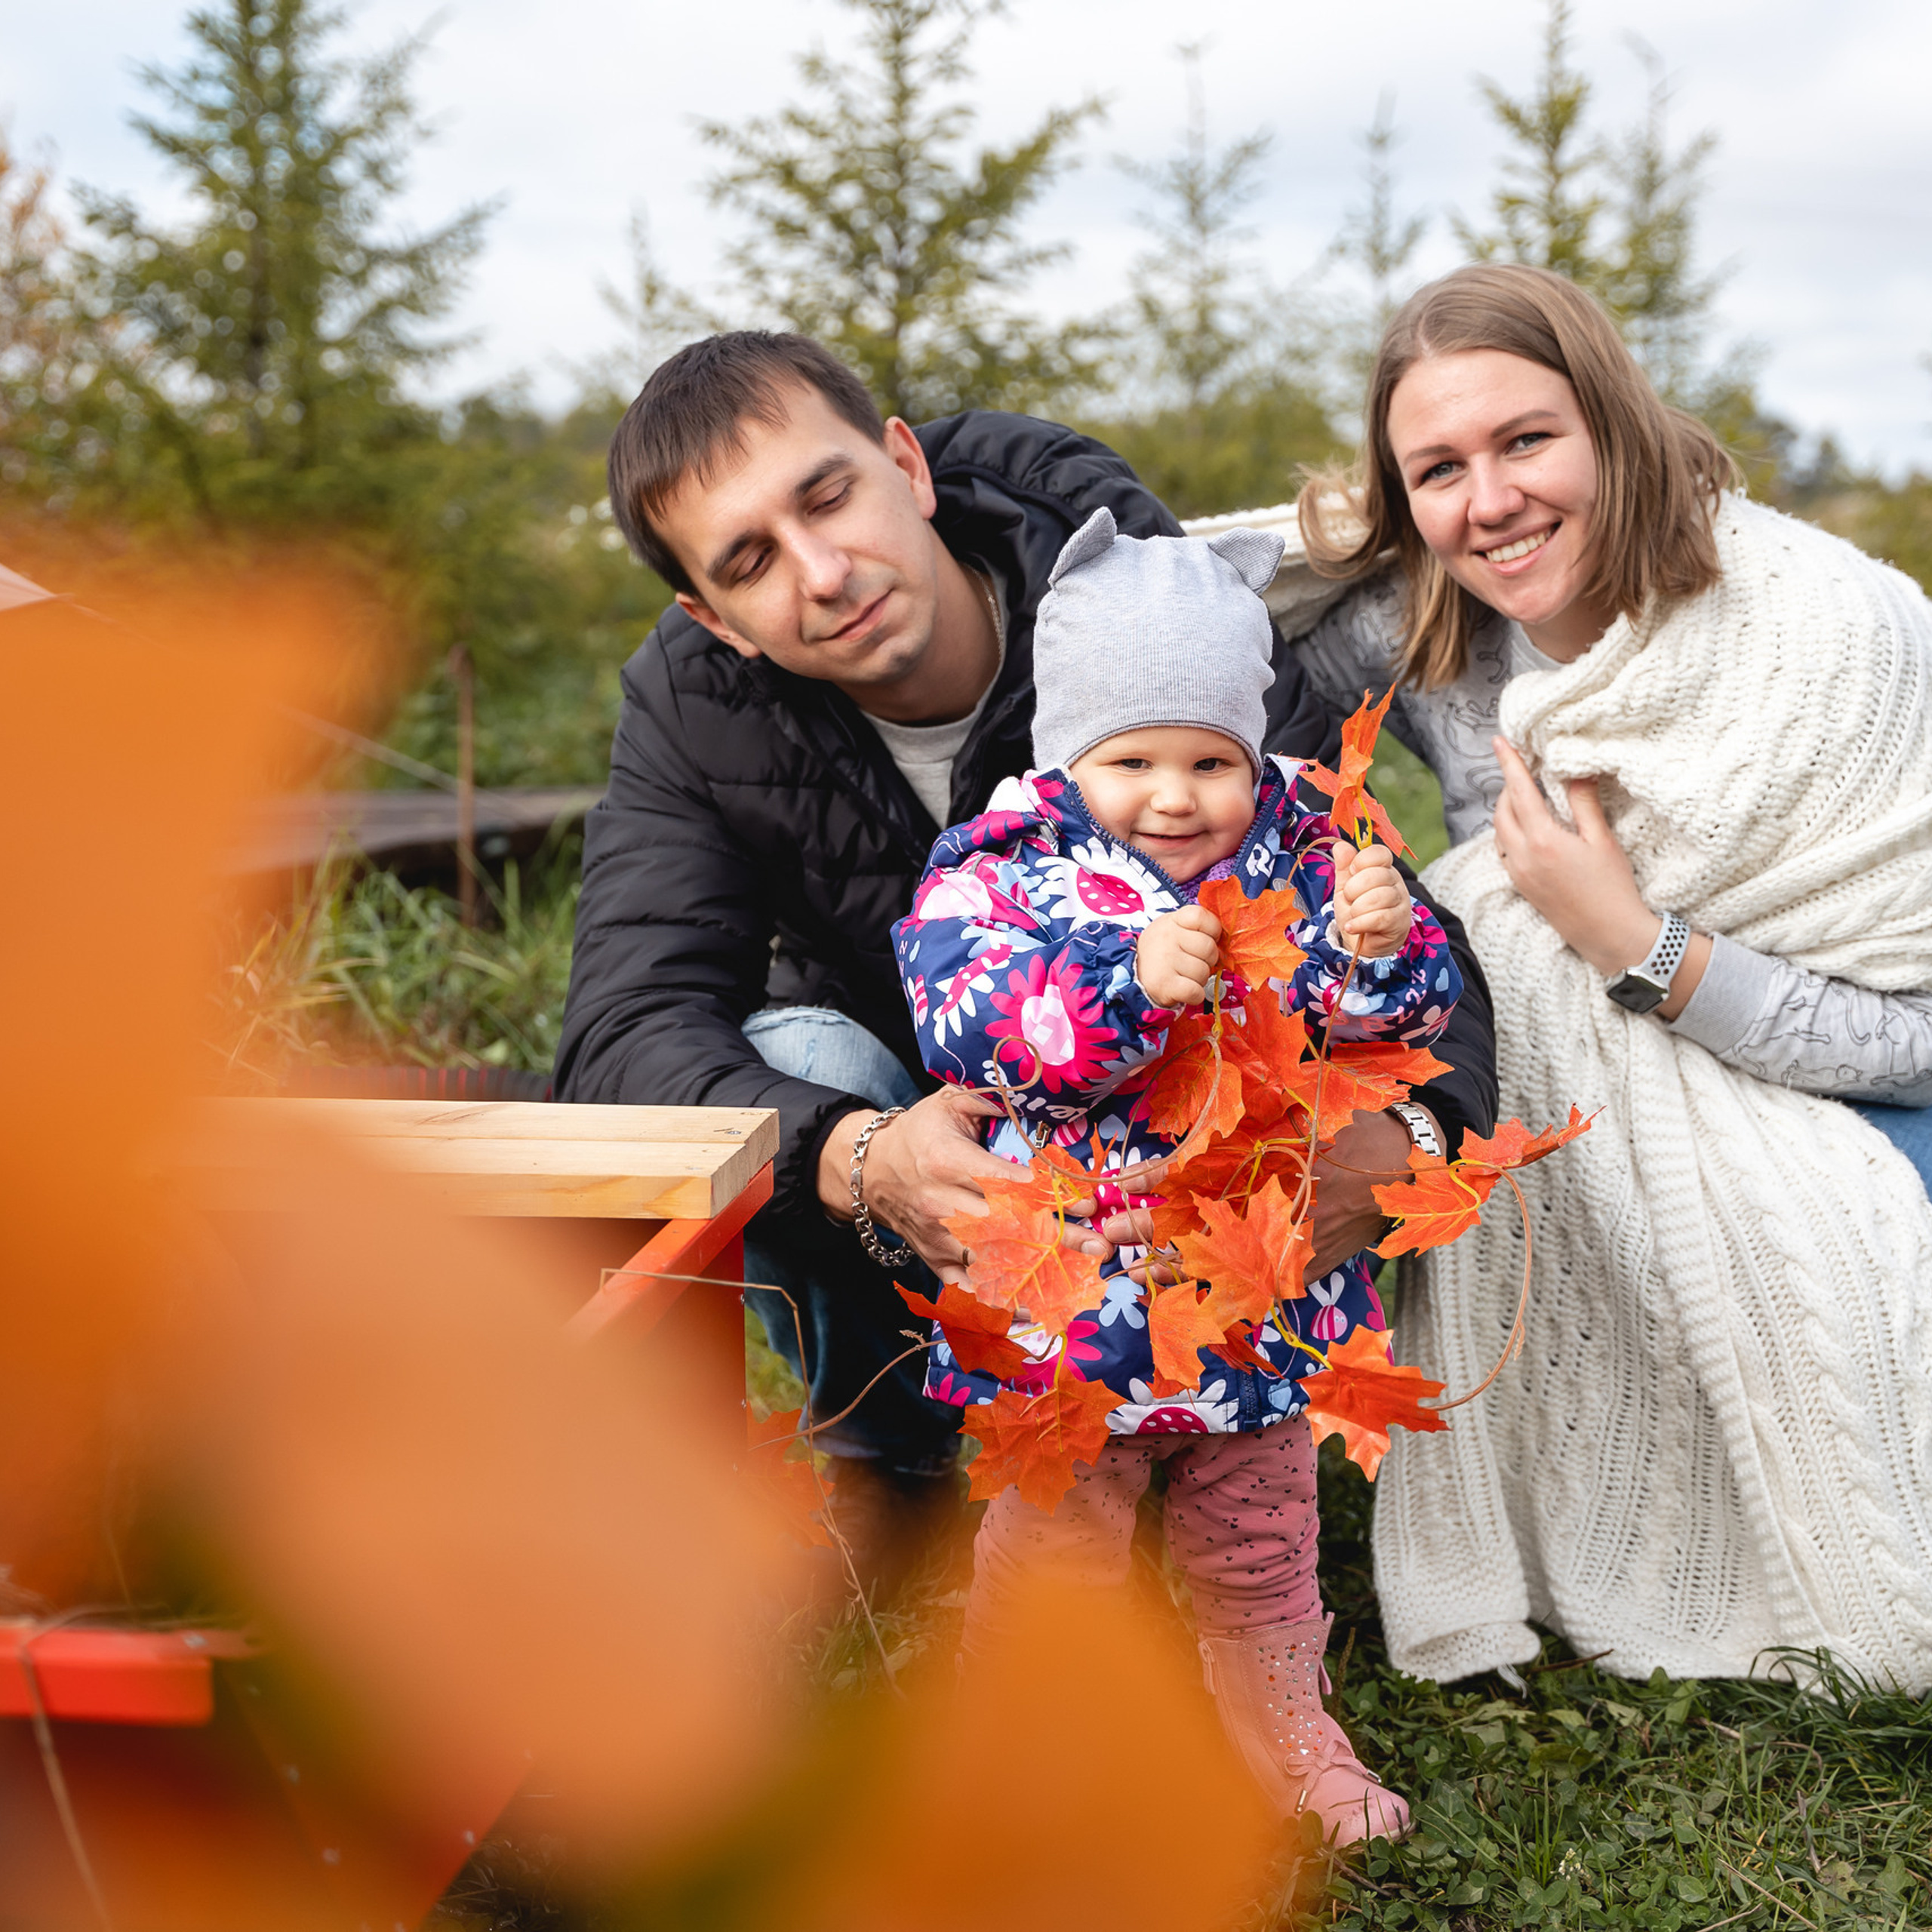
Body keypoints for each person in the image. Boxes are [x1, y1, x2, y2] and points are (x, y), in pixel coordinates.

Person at [553, 330, 1499, 1593]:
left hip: (1179, 1135)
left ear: (905, 464)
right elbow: (623, 1031)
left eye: (827, 495)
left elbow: (1383, 905)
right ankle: (897, 1463)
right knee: (800, 1061)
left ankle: (1199, 1446)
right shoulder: (692, 710)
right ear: (708, 615)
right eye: (750, 561)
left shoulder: (1145, 606)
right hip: (935, 1112)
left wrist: (1416, 1145)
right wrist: (852, 1158)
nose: (823, 572)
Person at [1281, 262, 1932, 1693]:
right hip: (1601, 1076)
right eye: (1437, 470)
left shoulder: (1830, 639)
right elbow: (1179, 626)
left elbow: (1923, 1040)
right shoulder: (1430, 617)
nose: (1490, 502)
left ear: (1616, 425)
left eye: (1526, 441)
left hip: (1876, 1093)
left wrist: (1637, 948)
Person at [892, 507, 1458, 1840]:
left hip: (1249, 1287)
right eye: (1131, 758)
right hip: (1073, 1294)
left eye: (1210, 759)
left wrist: (1382, 949)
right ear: (1066, 754)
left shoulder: (1302, 854)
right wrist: (1121, 987)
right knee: (1058, 1538)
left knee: (1258, 1531)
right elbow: (961, 1015)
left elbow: (1397, 1033)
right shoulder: (1005, 871)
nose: (1174, 795)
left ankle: (1276, 1713)